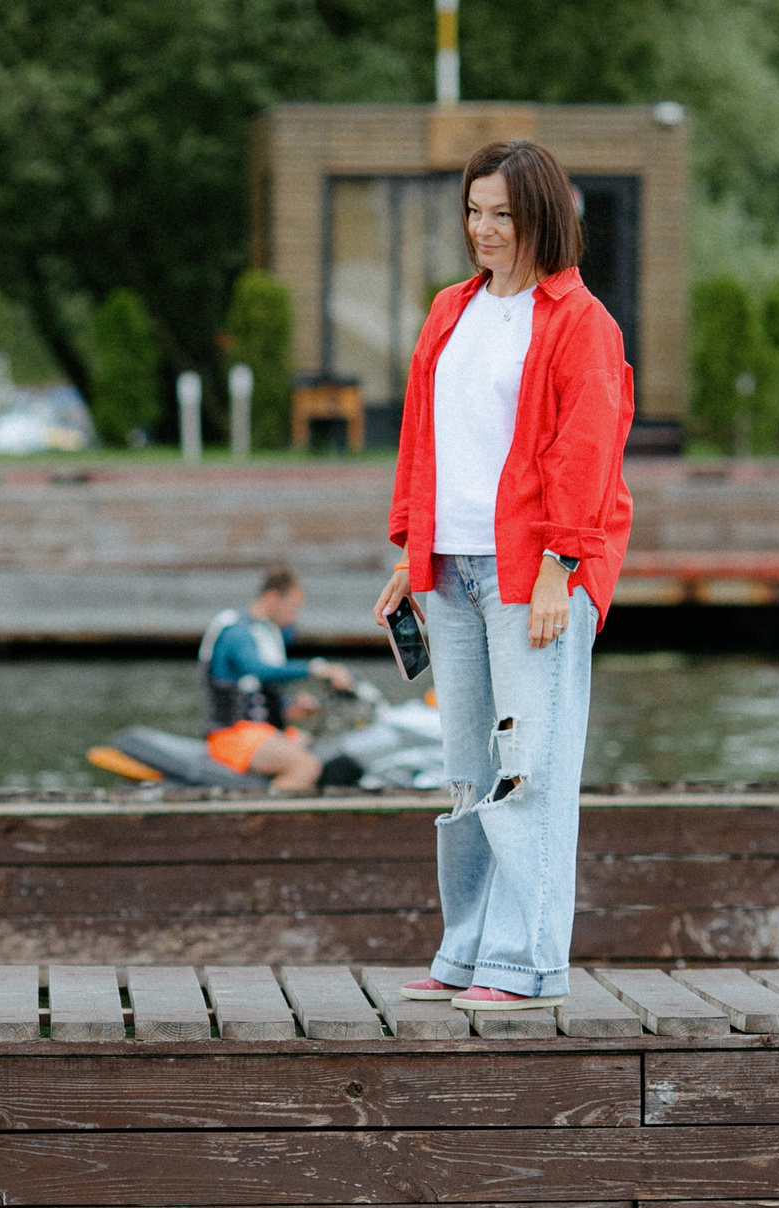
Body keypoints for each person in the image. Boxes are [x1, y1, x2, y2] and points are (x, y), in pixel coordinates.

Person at [371, 139, 635, 1014]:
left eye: (503, 215)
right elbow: (424, 438)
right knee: (467, 770)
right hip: (450, 571)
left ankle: (526, 965)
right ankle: (468, 951)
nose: (484, 230)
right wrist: (410, 554)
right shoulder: (452, 310)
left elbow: (587, 452)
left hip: (538, 571)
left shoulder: (580, 323)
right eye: (474, 212)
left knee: (531, 770)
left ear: (541, 218)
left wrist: (563, 566)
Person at [201, 566, 358, 793]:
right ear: (272, 598)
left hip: (260, 733)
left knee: (326, 752)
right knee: (305, 766)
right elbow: (257, 670)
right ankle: (266, 824)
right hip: (231, 736)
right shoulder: (235, 632)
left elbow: (257, 693)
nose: (293, 617)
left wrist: (289, 706)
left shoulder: (266, 633)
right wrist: (317, 668)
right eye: (292, 608)